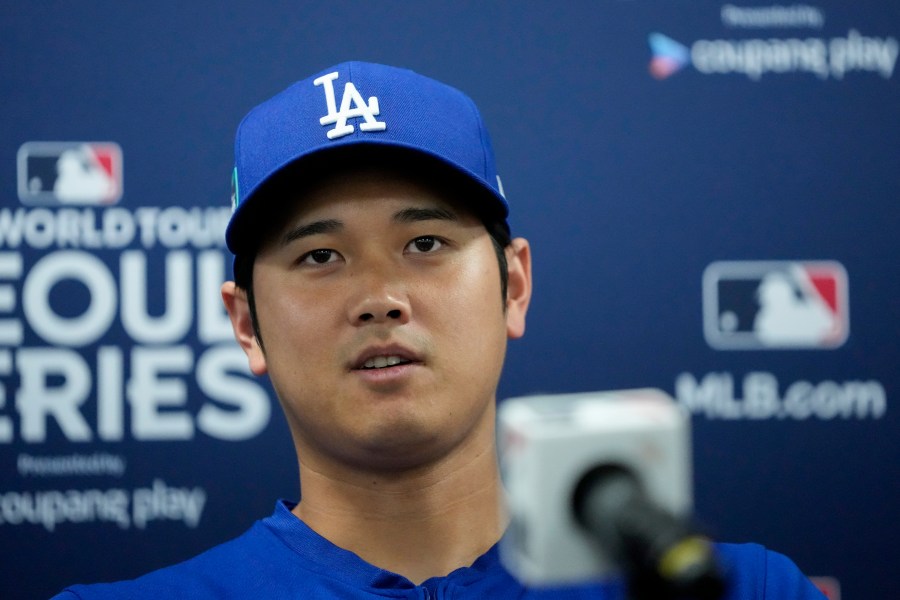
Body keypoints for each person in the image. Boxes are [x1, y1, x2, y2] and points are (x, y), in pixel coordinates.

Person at [53, 61, 825, 599]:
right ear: (245, 324)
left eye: (425, 245)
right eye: (320, 255)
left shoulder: (743, 590)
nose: (380, 298)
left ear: (512, 285)